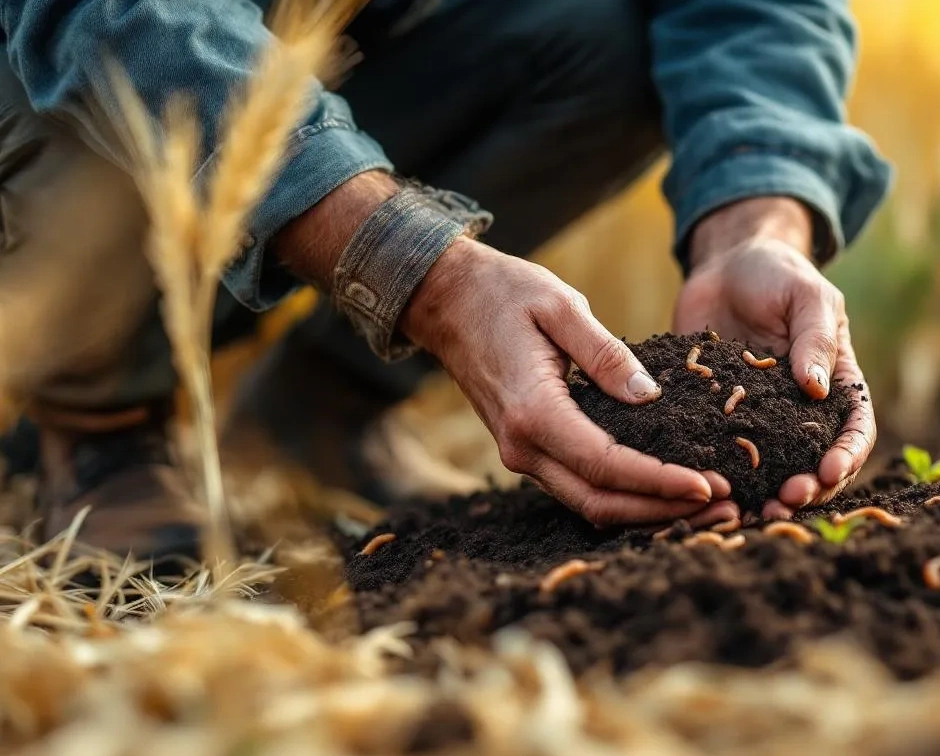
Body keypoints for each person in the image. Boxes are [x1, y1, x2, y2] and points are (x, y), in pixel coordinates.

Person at [0, 0, 891, 559]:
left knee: (596, 37)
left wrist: (755, 221)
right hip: (63, 159)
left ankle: (319, 408)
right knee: (100, 70)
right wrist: (425, 276)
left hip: (293, 99)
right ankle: (93, 421)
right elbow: (116, 20)